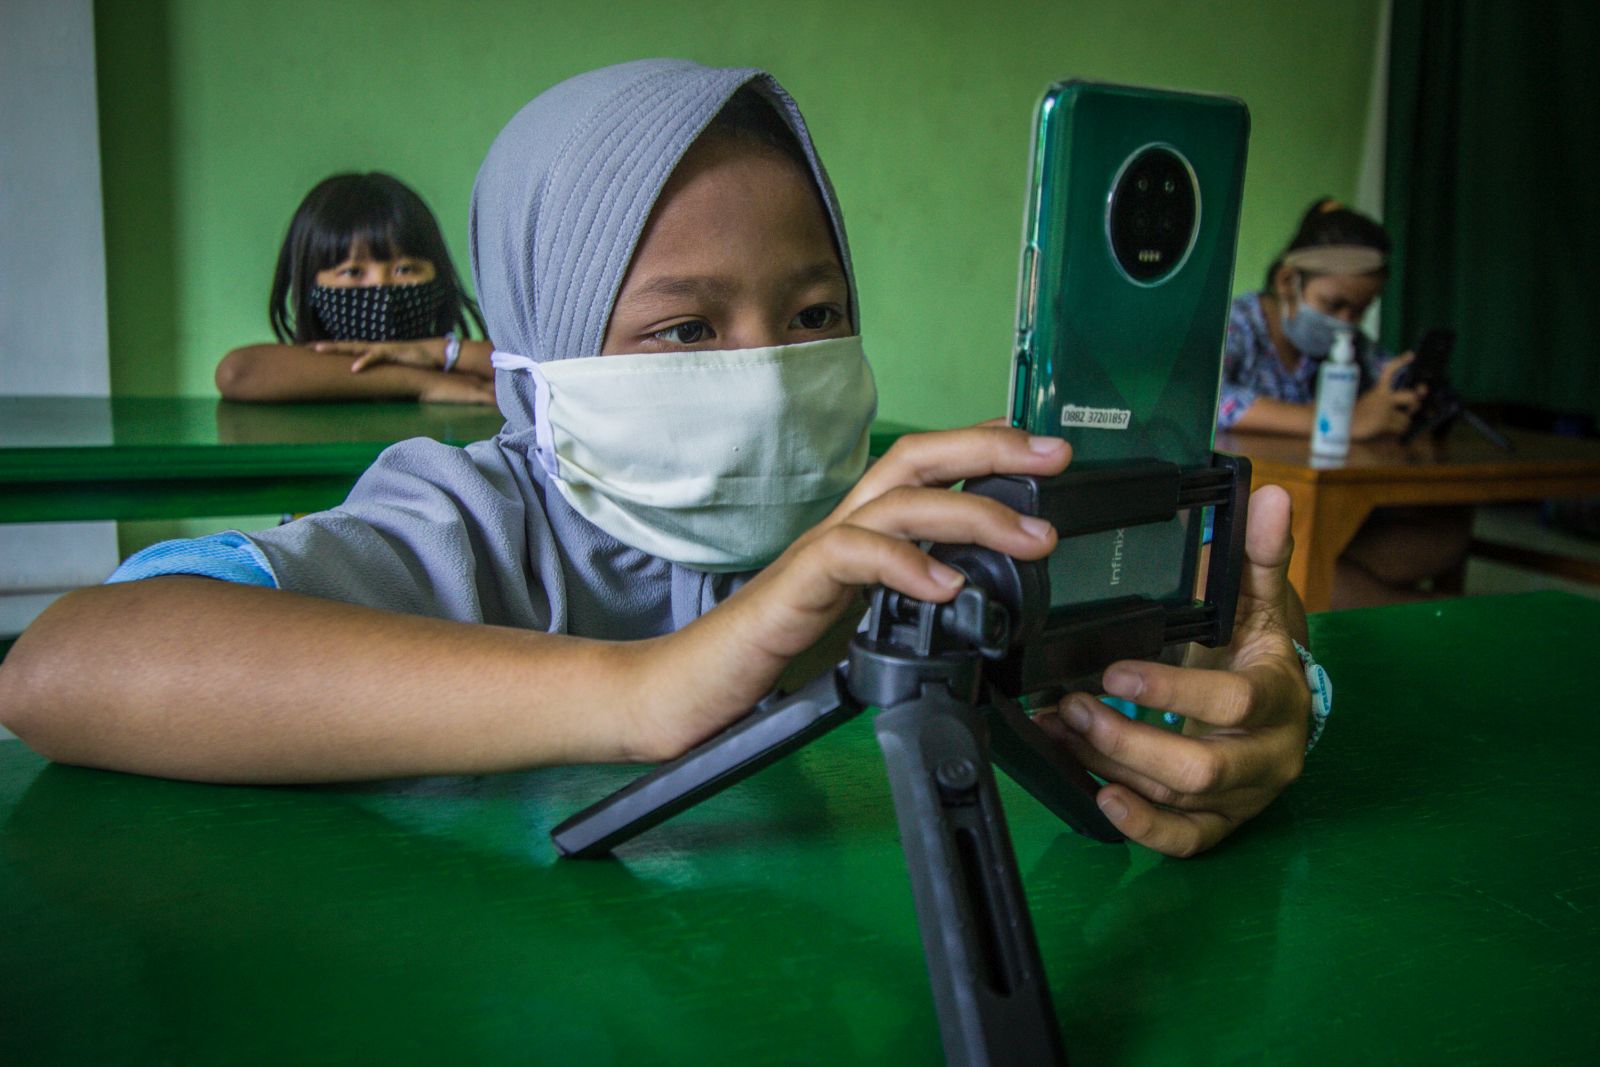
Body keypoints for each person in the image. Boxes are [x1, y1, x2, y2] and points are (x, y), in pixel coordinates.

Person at [0, 60, 1314, 858]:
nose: (762, 366)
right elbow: (63, 666)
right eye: (683, 327)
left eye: (813, 317)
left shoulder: (901, 516)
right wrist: (648, 687)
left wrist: (1262, 691)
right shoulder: (466, 520)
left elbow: (1173, 669)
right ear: (538, 344)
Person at [1218, 198, 1472, 608]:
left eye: (1360, 310)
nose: (1345, 322)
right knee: (1311, 571)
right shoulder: (1237, 325)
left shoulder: (1353, 347)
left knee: (1448, 531)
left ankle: (1329, 576)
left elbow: (1388, 373)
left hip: (1322, 519)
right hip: (1244, 522)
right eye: (1334, 305)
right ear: (1288, 282)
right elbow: (1213, 400)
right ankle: (1424, 611)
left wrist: (1412, 392)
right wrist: (1345, 422)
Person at [215, 172, 497, 405]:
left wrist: (438, 353)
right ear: (311, 285)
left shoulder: (462, 364)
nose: (382, 289)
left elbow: (527, 369)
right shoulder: (298, 372)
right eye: (352, 272)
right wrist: (424, 382)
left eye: (405, 269)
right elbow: (236, 372)